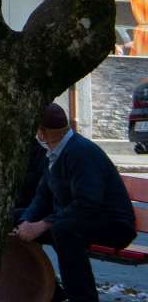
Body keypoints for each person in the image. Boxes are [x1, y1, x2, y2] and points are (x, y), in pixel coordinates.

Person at [16, 101, 135, 302]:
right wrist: (26, 221)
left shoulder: (80, 152)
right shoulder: (54, 152)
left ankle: (83, 298)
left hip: (113, 224)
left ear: (43, 132)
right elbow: (42, 195)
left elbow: (87, 203)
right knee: (12, 220)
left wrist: (42, 224)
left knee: (63, 230)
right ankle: (51, 293)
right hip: (78, 217)